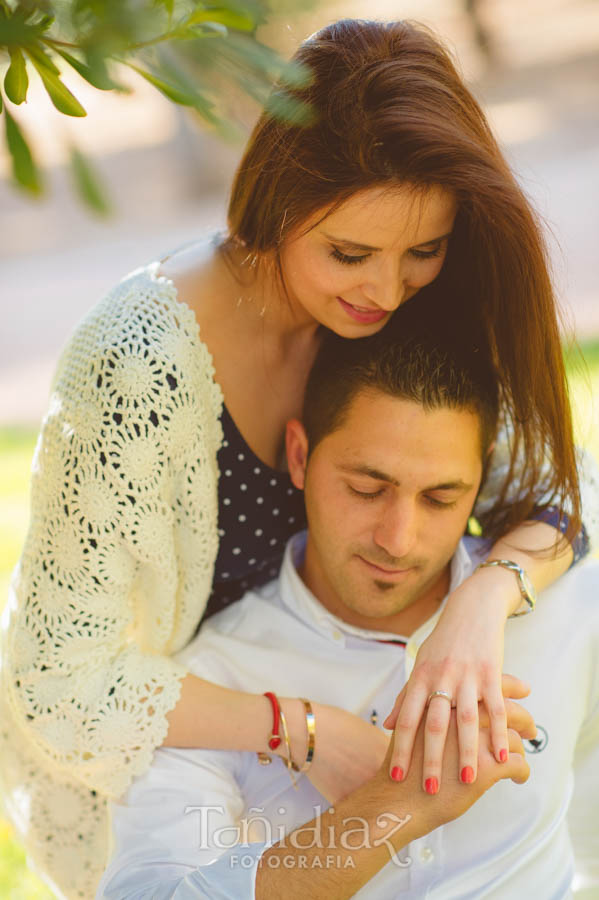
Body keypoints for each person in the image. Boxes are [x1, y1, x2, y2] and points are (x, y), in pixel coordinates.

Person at [1, 17, 598, 899]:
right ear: (275, 204)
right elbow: (55, 684)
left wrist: (480, 601)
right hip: (195, 767)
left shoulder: (413, 310)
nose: (385, 290)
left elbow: (554, 489)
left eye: (421, 251)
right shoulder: (138, 360)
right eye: (348, 254)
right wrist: (304, 727)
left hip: (359, 696)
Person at [96, 324, 599, 899]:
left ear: (484, 474)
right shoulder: (214, 682)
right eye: (367, 488)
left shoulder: (571, 608)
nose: (398, 539)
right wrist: (393, 808)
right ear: (300, 456)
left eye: (440, 498)